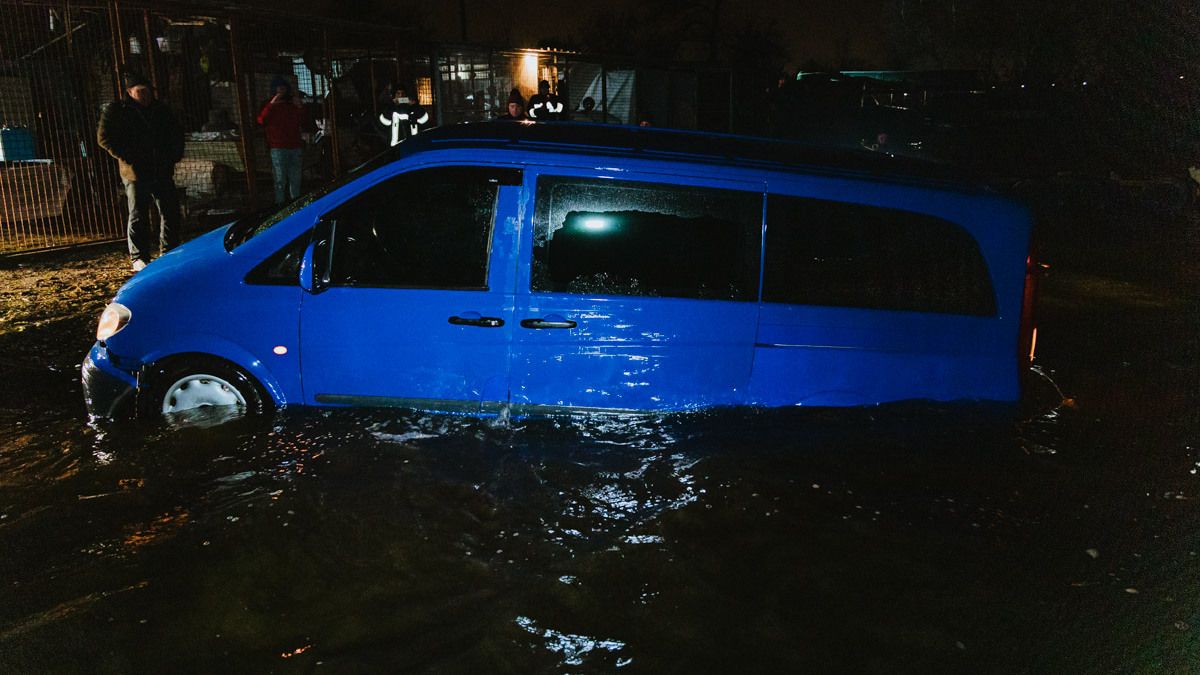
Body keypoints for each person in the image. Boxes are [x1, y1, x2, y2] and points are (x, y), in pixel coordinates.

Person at [97, 71, 184, 272]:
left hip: (160, 168)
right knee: (138, 213)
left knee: (170, 210)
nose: (145, 95)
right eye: (140, 91)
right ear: (130, 91)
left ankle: (168, 251)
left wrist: (173, 156)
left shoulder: (160, 110)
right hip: (136, 171)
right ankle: (139, 256)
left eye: (147, 91)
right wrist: (128, 157)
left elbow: (176, 133)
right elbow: (104, 138)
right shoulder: (117, 110)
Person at [257, 75, 308, 204]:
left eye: (284, 89)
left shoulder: (292, 105)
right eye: (279, 89)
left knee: (295, 180)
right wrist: (271, 105)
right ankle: (280, 207)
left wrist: (300, 107)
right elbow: (261, 120)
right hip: (278, 148)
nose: (281, 92)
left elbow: (304, 120)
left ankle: (295, 205)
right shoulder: (268, 105)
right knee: (280, 181)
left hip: (294, 146)